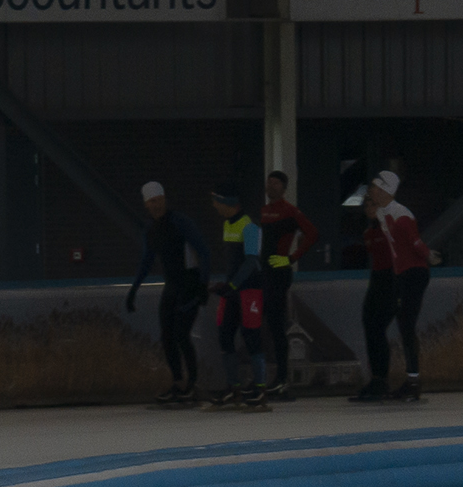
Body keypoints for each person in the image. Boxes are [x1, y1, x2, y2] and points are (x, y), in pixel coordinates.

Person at [124, 182, 211, 407]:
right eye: (152, 201)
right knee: (167, 336)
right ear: (146, 204)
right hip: (172, 286)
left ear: (165, 199)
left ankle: (191, 384)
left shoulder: (180, 222)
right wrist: (133, 290)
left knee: (181, 334)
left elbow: (204, 251)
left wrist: (203, 285)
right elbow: (146, 261)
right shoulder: (151, 230)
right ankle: (178, 383)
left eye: (159, 200)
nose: (156, 205)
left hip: (189, 284)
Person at [352, 169, 433, 403]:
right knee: (400, 324)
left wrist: (429, 256)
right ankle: (402, 380)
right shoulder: (384, 213)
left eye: (375, 188)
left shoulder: (399, 213)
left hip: (412, 273)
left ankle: (413, 382)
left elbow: (414, 240)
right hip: (400, 275)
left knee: (406, 325)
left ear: (386, 190)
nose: (371, 192)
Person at [256, 170, 320, 399]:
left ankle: (282, 379)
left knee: (276, 325)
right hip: (264, 273)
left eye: (275, 183)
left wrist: (292, 258)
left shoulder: (289, 211)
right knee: (262, 324)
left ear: (283, 188)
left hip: (278, 273)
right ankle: (268, 377)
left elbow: (312, 233)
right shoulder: (264, 211)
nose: (270, 185)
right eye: (268, 182)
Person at [206, 189, 269, 409]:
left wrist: (232, 285)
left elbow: (251, 261)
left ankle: (260, 389)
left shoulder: (249, 226)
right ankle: (234, 388)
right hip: (234, 289)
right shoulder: (228, 224)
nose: (214, 206)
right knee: (225, 334)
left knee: (251, 336)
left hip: (249, 288)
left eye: (216, 202)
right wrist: (228, 285)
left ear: (227, 202)